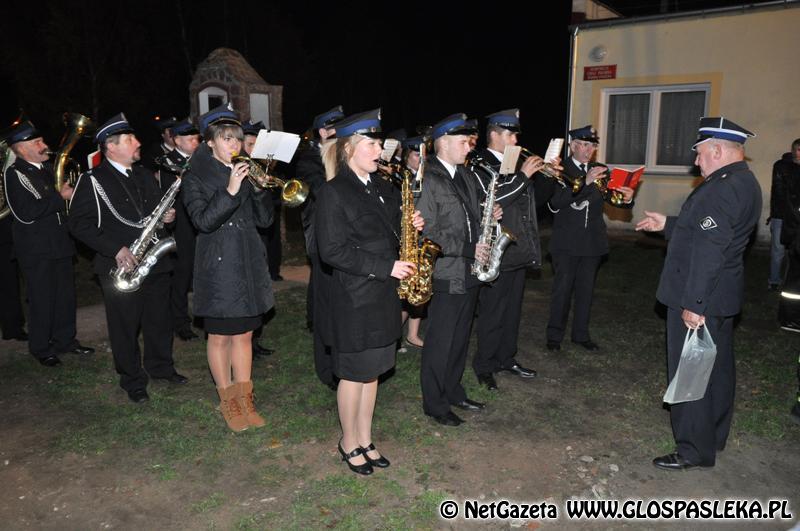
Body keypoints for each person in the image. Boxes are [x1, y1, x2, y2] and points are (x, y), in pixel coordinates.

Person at [636, 117, 761, 470]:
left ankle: (692, 449)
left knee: (690, 372)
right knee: (717, 370)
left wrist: (694, 304)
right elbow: (713, 232)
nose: (696, 160)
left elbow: (710, 250)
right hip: (722, 296)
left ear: (718, 150)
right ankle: (713, 435)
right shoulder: (743, 181)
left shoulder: (721, 188)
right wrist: (668, 224)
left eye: (700, 152)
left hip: (700, 296)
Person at [315, 109, 423, 474]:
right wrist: (385, 267)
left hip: (382, 295)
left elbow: (390, 231)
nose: (380, 151)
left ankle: (365, 437)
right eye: (371, 145)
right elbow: (332, 251)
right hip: (354, 297)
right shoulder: (333, 192)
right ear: (349, 149)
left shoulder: (381, 187)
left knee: (373, 371)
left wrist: (411, 223)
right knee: (353, 373)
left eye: (380, 144)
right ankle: (349, 441)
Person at [69, 113, 185, 402]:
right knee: (124, 326)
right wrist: (115, 249)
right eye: (130, 139)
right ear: (111, 146)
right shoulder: (92, 180)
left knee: (159, 320)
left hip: (154, 261)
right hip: (119, 266)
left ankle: (161, 367)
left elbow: (155, 214)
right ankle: (132, 379)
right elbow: (79, 224)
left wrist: (168, 218)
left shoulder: (144, 174)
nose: (138, 142)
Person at [181, 104, 274, 432]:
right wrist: (231, 190)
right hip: (218, 265)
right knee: (220, 335)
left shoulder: (246, 170)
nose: (234, 145)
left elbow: (265, 221)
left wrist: (259, 191)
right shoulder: (194, 177)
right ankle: (228, 399)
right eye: (226, 139)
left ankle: (245, 397)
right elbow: (203, 222)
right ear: (209, 142)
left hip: (247, 261)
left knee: (245, 333)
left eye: (237, 138)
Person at [416, 113, 495, 427]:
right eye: (463, 141)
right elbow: (427, 232)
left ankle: (453, 390)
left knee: (460, 338)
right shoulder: (429, 179)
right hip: (446, 271)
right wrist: (467, 248)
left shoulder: (465, 175)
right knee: (441, 341)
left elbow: (469, 218)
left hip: (469, 271)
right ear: (443, 143)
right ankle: (434, 403)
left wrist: (490, 214)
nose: (469, 146)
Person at [4, 120, 93, 366]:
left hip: (59, 242)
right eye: (37, 142)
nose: (44, 145)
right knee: (42, 299)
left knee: (65, 296)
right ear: (21, 148)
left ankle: (66, 341)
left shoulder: (47, 168)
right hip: (36, 249)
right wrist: (60, 197)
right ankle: (41, 347)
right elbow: (26, 213)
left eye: (41, 140)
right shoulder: (15, 174)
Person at [472, 109, 547, 390]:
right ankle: (485, 363)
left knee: (513, 311)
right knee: (493, 311)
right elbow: (492, 200)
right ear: (494, 135)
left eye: (516, 135)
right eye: (510, 134)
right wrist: (524, 176)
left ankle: (506, 357)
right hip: (496, 249)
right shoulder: (481, 164)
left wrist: (548, 175)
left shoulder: (514, 164)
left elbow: (534, 202)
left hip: (517, 247)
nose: (516, 140)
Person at [544, 125, 634, 352]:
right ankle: (554, 336)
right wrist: (585, 182)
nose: (588, 150)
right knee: (562, 291)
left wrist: (627, 199)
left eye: (592, 145)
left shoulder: (599, 169)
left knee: (586, 291)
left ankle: (581, 335)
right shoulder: (559, 168)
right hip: (566, 242)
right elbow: (555, 203)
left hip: (592, 242)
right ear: (573, 145)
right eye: (584, 145)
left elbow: (613, 199)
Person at [296, 105, 345, 389]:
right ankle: (326, 369)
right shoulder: (309, 160)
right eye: (337, 128)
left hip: (346, 240)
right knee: (324, 304)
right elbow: (324, 191)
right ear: (324, 132)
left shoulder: (344, 155)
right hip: (322, 238)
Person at [158, 118, 201, 341]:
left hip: (202, 223)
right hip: (182, 226)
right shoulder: (167, 163)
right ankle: (180, 322)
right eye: (190, 139)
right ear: (177, 141)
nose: (195, 142)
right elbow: (169, 197)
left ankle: (204, 316)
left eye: (196, 138)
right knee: (182, 277)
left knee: (202, 273)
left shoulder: (202, 159)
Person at [241, 119, 276, 358]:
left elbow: (266, 215)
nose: (253, 149)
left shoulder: (258, 167)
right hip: (244, 235)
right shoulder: (238, 168)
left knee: (258, 288)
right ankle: (246, 342)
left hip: (258, 235)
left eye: (256, 145)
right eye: (250, 144)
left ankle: (254, 340)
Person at [768, 139, 800, 290]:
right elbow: (781, 192)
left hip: (797, 216)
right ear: (794, 150)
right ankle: (774, 281)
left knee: (796, 251)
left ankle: (792, 281)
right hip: (782, 215)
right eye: (798, 149)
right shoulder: (782, 166)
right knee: (778, 250)